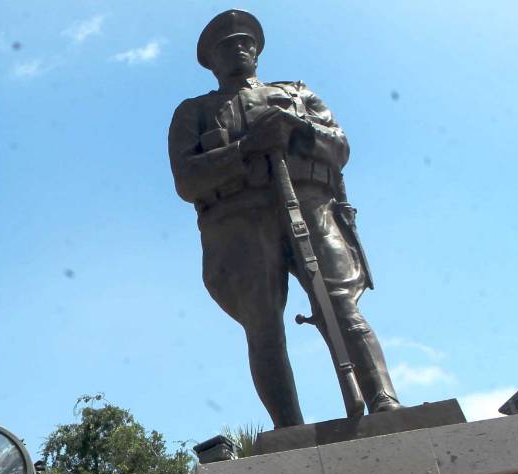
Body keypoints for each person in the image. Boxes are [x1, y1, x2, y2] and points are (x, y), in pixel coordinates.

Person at [168, 9, 401, 429]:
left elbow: (340, 149)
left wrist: (296, 129)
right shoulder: (195, 112)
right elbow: (187, 180)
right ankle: (289, 428)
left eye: (245, 42)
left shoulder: (296, 93)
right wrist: (245, 149)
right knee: (263, 326)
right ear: (212, 61)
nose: (239, 48)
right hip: (238, 222)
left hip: (311, 208)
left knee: (341, 306)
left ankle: (383, 399)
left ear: (256, 51)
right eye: (228, 46)